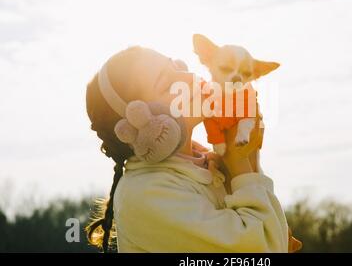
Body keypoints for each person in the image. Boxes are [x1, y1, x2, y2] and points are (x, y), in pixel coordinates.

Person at [85, 46, 301, 252]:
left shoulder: (210, 166)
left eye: (178, 66)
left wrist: (247, 160)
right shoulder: (145, 192)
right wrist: (240, 163)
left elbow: (270, 239)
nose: (189, 78)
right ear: (143, 124)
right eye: (168, 84)